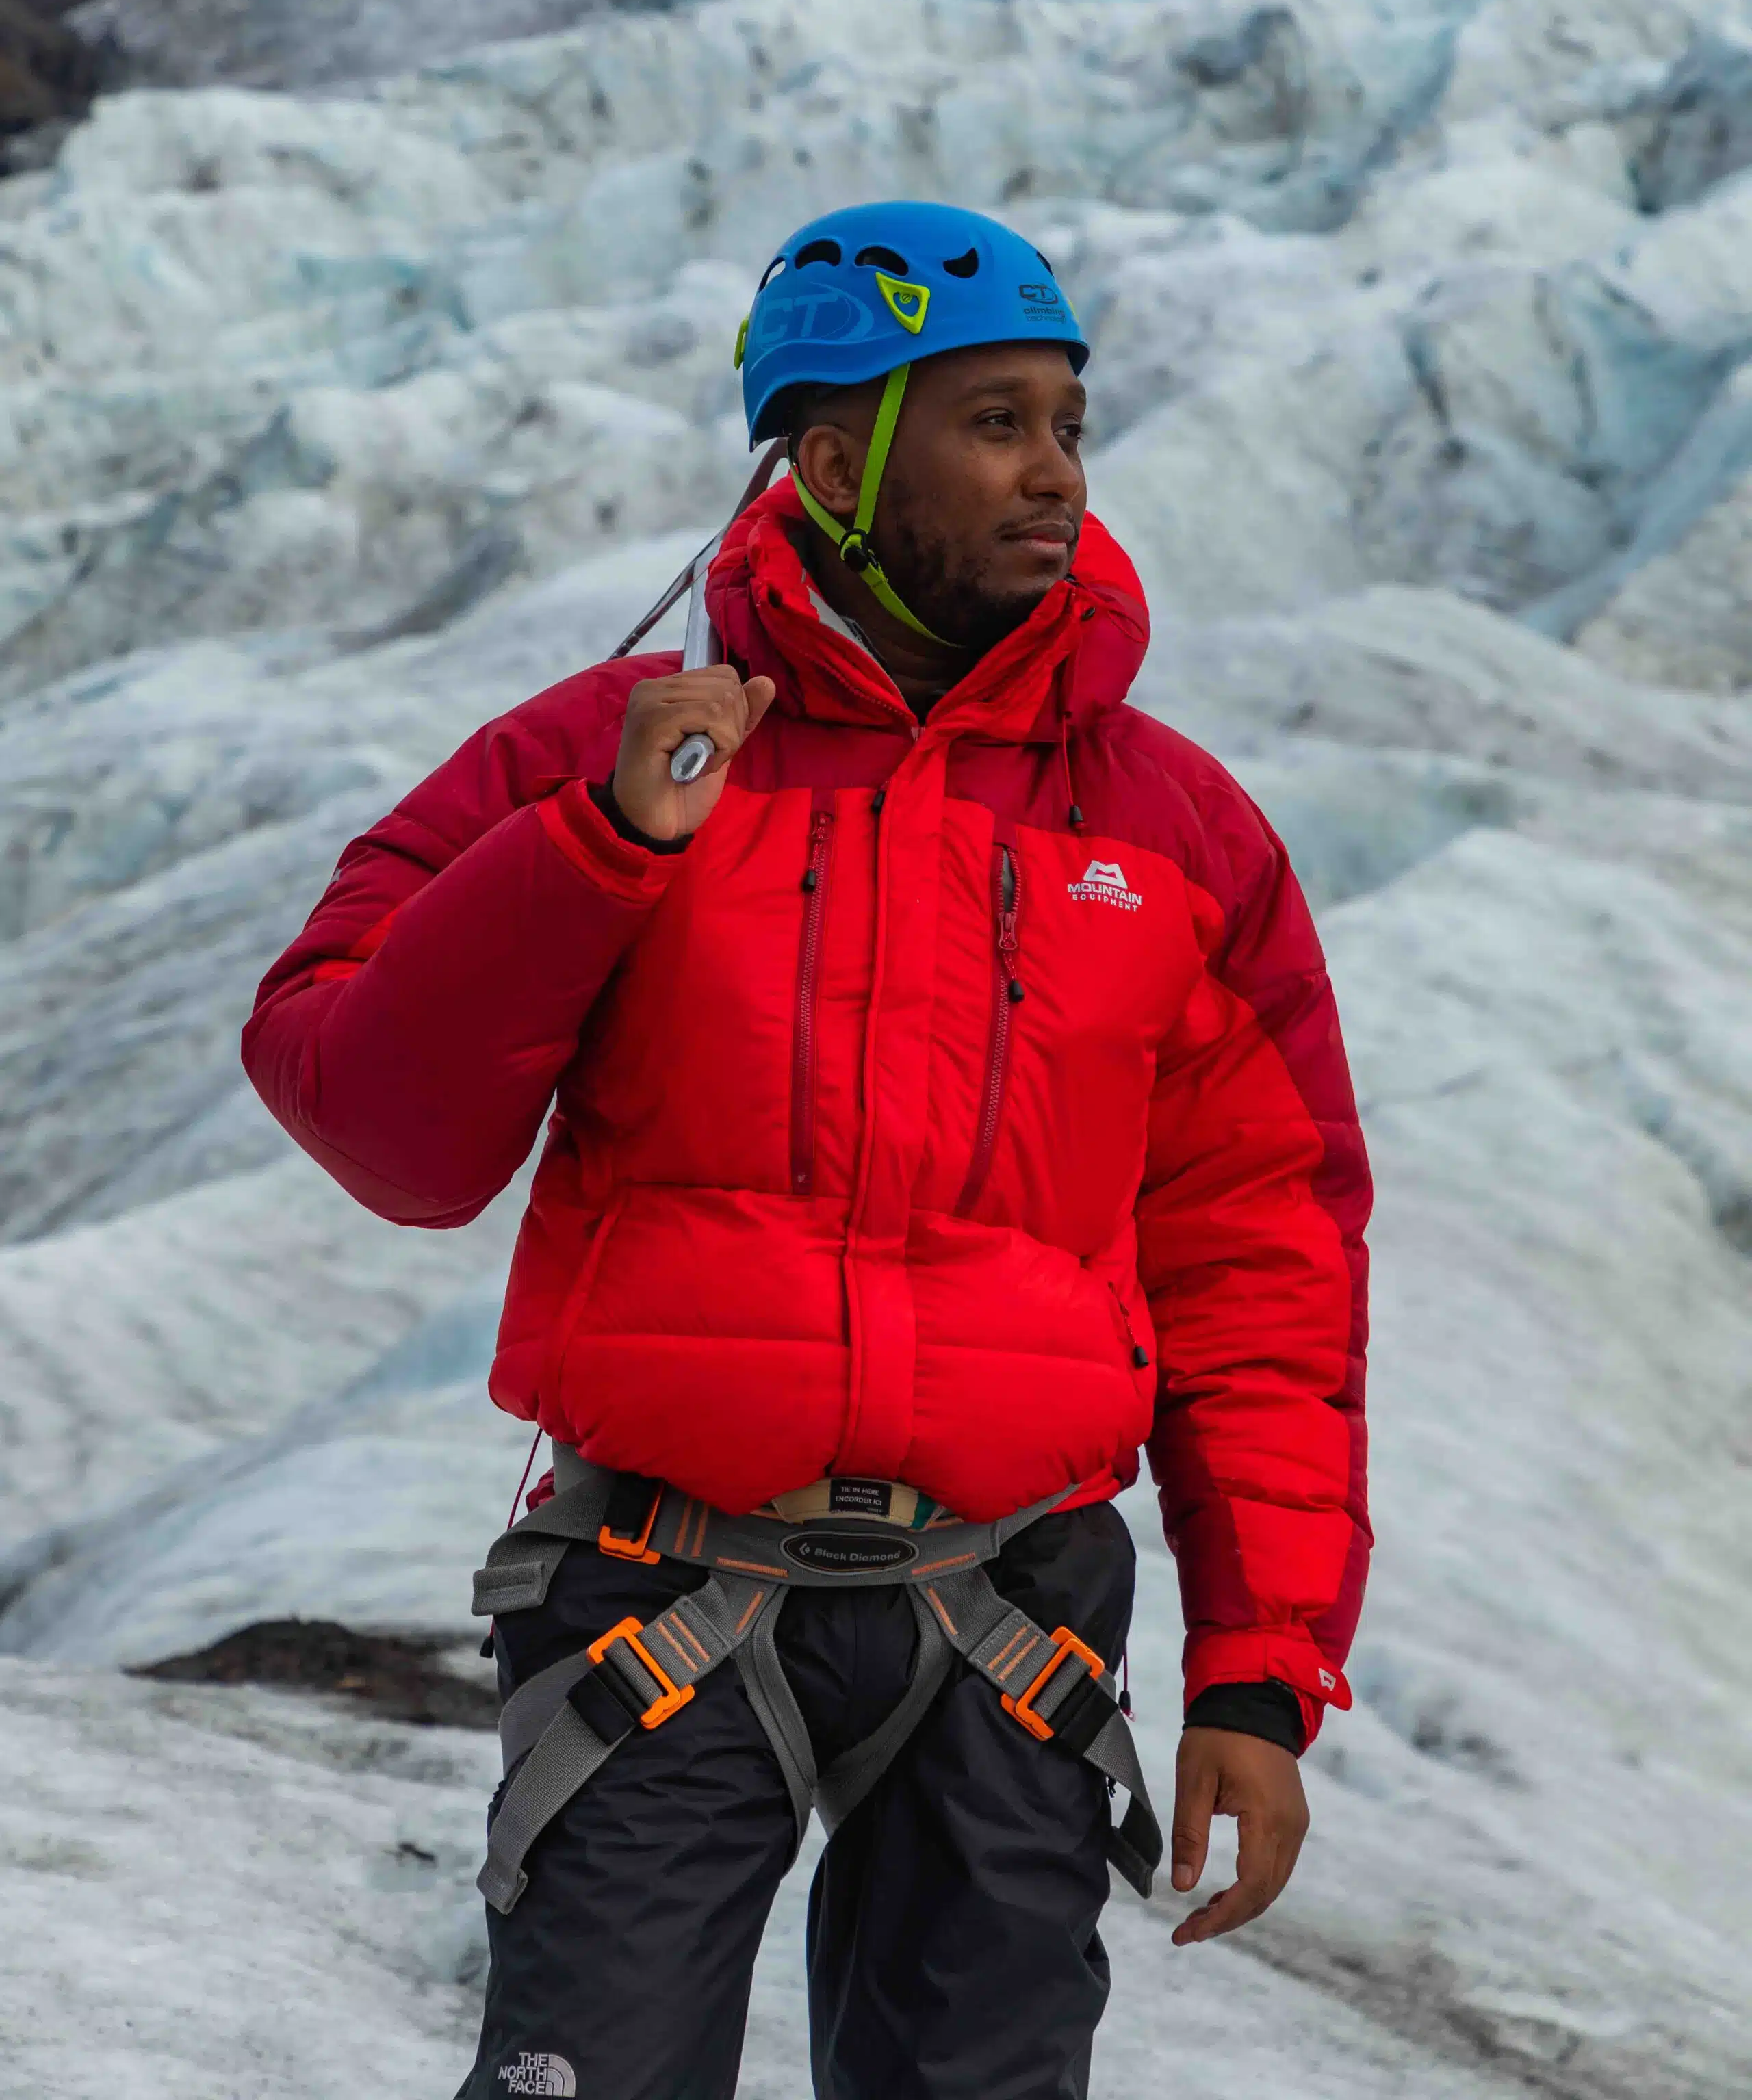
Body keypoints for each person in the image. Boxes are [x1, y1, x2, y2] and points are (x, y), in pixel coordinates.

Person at [243, 200, 1371, 2100]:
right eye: (994, 422)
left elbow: (1263, 1260)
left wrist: (1260, 1669)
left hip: (1015, 1612)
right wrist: (602, 850)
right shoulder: (602, 756)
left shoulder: (1179, 831)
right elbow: (369, 1112)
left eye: (1069, 424)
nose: (1054, 476)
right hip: (652, 1594)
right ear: (836, 463)